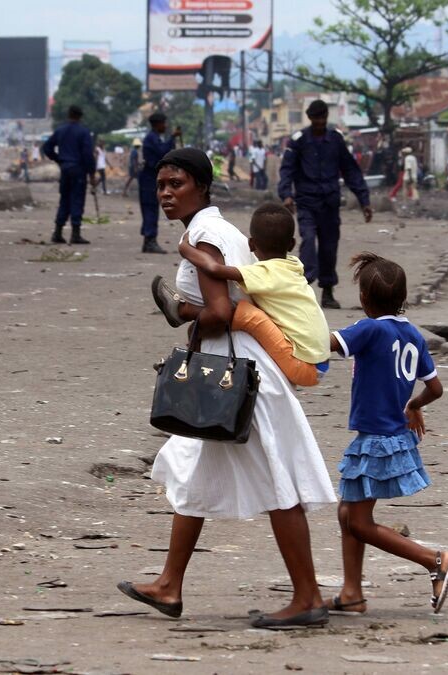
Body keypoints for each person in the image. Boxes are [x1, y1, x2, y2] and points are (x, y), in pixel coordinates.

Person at [120, 148, 337, 628]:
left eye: (176, 184)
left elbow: (219, 313)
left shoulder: (204, 235)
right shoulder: (220, 230)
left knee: (279, 482)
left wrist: (181, 313)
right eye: (161, 186)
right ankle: (169, 585)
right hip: (235, 370)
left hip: (237, 378)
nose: (166, 194)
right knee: (193, 469)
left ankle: (307, 597)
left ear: (201, 185)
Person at [326, 252, 448, 616]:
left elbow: (330, 343)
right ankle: (351, 593)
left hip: (376, 439)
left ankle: (434, 559)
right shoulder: (412, 334)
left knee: (358, 521)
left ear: (364, 299)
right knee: (346, 512)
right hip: (393, 436)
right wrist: (414, 405)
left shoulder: (370, 329)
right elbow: (436, 389)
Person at [171, 201, 330, 387]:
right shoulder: (293, 265)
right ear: (292, 244)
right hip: (320, 363)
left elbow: (214, 269)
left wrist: (186, 249)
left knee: (243, 311)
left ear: (251, 244)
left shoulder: (264, 272)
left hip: (304, 366)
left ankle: (185, 312)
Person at [278, 99, 373, 310]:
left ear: (326, 118)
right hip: (307, 203)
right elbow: (287, 170)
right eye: (316, 118)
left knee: (329, 249)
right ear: (310, 118)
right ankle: (303, 288)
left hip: (329, 203)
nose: (320, 122)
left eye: (323, 118)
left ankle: (328, 292)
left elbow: (350, 170)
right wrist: (286, 195)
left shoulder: (335, 140)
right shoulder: (299, 141)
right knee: (309, 243)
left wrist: (364, 200)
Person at [42, 105, 95, 245]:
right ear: (80, 116)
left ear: (68, 114)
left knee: (64, 200)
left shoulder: (60, 130)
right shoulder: (84, 132)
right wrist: (92, 173)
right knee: (77, 200)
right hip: (78, 170)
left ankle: (58, 232)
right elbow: (88, 155)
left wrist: (59, 159)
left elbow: (47, 147)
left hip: (65, 169)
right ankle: (75, 234)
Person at [139, 112, 178, 254]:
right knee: (150, 209)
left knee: (151, 209)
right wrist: (173, 137)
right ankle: (150, 241)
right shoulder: (152, 138)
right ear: (157, 124)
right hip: (149, 178)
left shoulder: (154, 138)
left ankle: (148, 241)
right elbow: (163, 151)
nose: (165, 126)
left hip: (151, 178)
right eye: (163, 123)